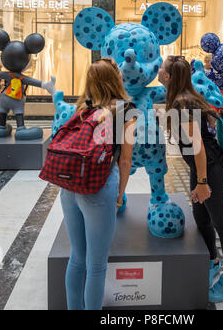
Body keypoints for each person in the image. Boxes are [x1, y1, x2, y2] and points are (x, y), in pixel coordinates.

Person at [159, 55, 223, 304]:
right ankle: (212, 261)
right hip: (201, 169)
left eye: (162, 69)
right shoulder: (182, 99)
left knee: (222, 223)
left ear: (170, 77)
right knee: (201, 216)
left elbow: (199, 147)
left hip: (209, 169)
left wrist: (203, 182)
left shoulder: (184, 103)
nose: (158, 71)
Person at [60, 58, 137, 310]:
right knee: (96, 265)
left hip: (70, 186)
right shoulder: (127, 109)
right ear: (116, 79)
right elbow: (125, 160)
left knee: (77, 257)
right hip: (100, 185)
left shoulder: (82, 106)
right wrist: (120, 193)